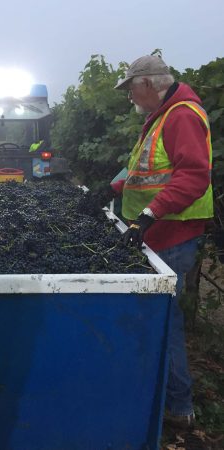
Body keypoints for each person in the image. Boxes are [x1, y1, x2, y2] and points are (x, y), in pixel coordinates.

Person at [110, 55, 213, 429]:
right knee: (157, 317)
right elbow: (141, 170)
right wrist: (111, 188)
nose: (129, 98)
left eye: (131, 89)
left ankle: (178, 407)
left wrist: (150, 215)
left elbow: (193, 176)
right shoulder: (159, 118)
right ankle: (162, 393)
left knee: (163, 320)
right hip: (156, 233)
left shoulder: (182, 115)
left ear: (149, 84)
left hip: (173, 235)